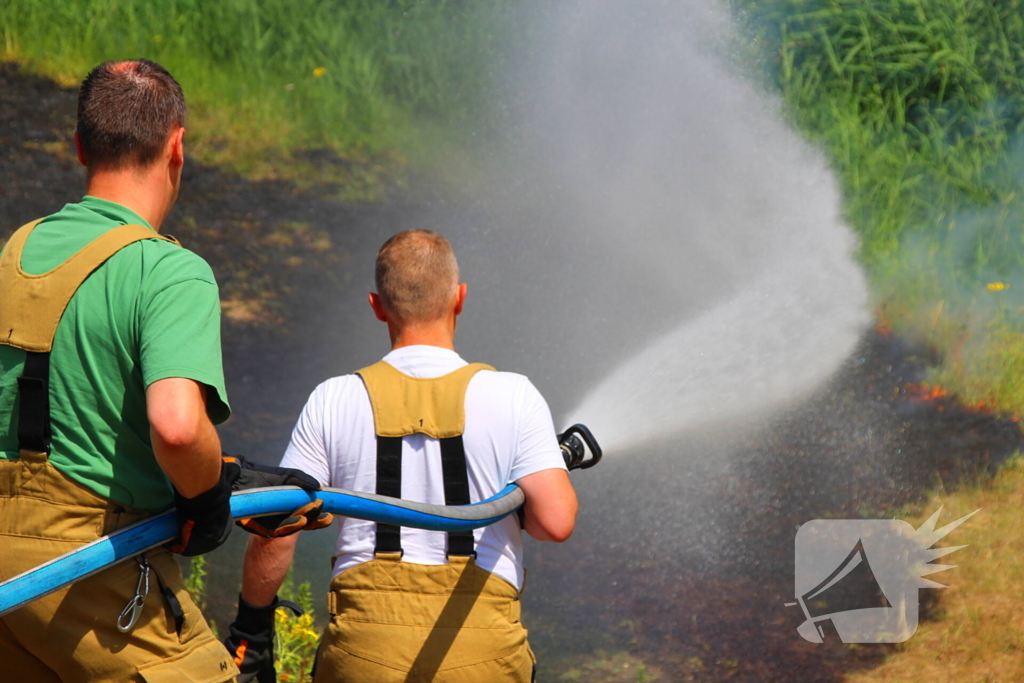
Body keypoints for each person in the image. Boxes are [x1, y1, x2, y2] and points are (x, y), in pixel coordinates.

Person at [0, 59, 327, 683]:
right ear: (177, 146)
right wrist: (205, 500)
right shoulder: (168, 271)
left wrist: (222, 474)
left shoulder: (16, 249)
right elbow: (177, 427)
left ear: (78, 146)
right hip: (91, 569)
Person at [228, 229, 579, 682]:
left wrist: (252, 629)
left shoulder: (333, 398)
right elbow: (555, 523)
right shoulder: (514, 396)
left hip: (364, 653)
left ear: (377, 307)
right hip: (483, 652)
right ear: (460, 298)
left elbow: (279, 525)